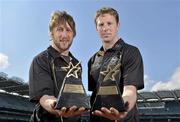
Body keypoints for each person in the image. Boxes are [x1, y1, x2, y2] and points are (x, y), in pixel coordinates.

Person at [29, 10, 87, 122]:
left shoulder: (77, 65)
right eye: (59, 29)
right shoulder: (40, 60)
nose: (64, 35)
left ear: (73, 34)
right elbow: (44, 97)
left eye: (68, 30)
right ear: (51, 33)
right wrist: (57, 105)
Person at [88, 7, 144, 122]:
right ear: (96, 28)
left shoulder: (131, 51)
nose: (105, 28)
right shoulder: (92, 60)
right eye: (101, 24)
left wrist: (122, 108)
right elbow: (95, 94)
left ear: (117, 25)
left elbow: (130, 90)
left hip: (124, 119)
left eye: (109, 23)